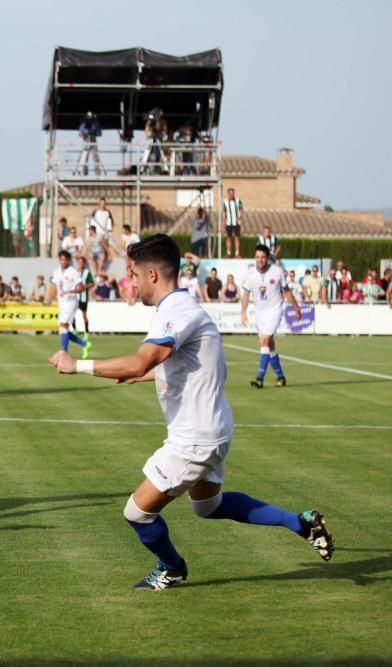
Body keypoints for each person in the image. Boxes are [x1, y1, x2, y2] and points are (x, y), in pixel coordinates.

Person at [48, 233, 333, 590]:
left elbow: (139, 361)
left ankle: (171, 567)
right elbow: (187, 363)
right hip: (212, 427)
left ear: (152, 275)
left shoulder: (176, 310)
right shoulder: (180, 309)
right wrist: (148, 375)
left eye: (134, 274)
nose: (131, 283)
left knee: (137, 513)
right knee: (208, 507)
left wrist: (78, 366)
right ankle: (300, 523)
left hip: (195, 437)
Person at [241, 245, 301, 388]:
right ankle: (281, 377)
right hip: (259, 312)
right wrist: (243, 312)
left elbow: (286, 291)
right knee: (269, 345)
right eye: (257, 257)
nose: (260, 260)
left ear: (267, 258)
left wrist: (296, 307)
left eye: (262, 257)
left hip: (274, 310)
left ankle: (259, 378)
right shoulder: (250, 274)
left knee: (265, 340)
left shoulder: (277, 271)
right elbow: (246, 294)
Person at [50, 250, 90, 359]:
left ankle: (64, 353)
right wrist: (50, 297)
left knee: (63, 325)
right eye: (61, 259)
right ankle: (84, 343)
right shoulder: (57, 272)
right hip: (61, 302)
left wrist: (71, 291)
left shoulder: (73, 272)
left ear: (68, 260)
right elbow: (54, 286)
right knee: (63, 329)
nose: (63, 261)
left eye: (65, 259)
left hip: (71, 302)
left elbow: (81, 287)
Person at [75, 256, 95, 333]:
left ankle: (86, 331)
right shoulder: (74, 272)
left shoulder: (87, 273)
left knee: (84, 315)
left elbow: (92, 283)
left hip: (83, 297)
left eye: (81, 262)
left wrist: (84, 286)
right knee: (72, 314)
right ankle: (74, 329)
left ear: (84, 263)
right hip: (75, 297)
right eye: (79, 262)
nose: (80, 264)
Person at [222, 188, 243, 258]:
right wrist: (224, 221)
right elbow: (224, 212)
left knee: (237, 237)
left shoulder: (238, 200)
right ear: (228, 194)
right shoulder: (225, 202)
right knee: (228, 237)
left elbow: (241, 209)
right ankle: (228, 253)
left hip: (236, 222)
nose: (231, 195)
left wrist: (239, 217)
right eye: (230, 193)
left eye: (233, 193)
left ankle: (237, 253)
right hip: (229, 222)